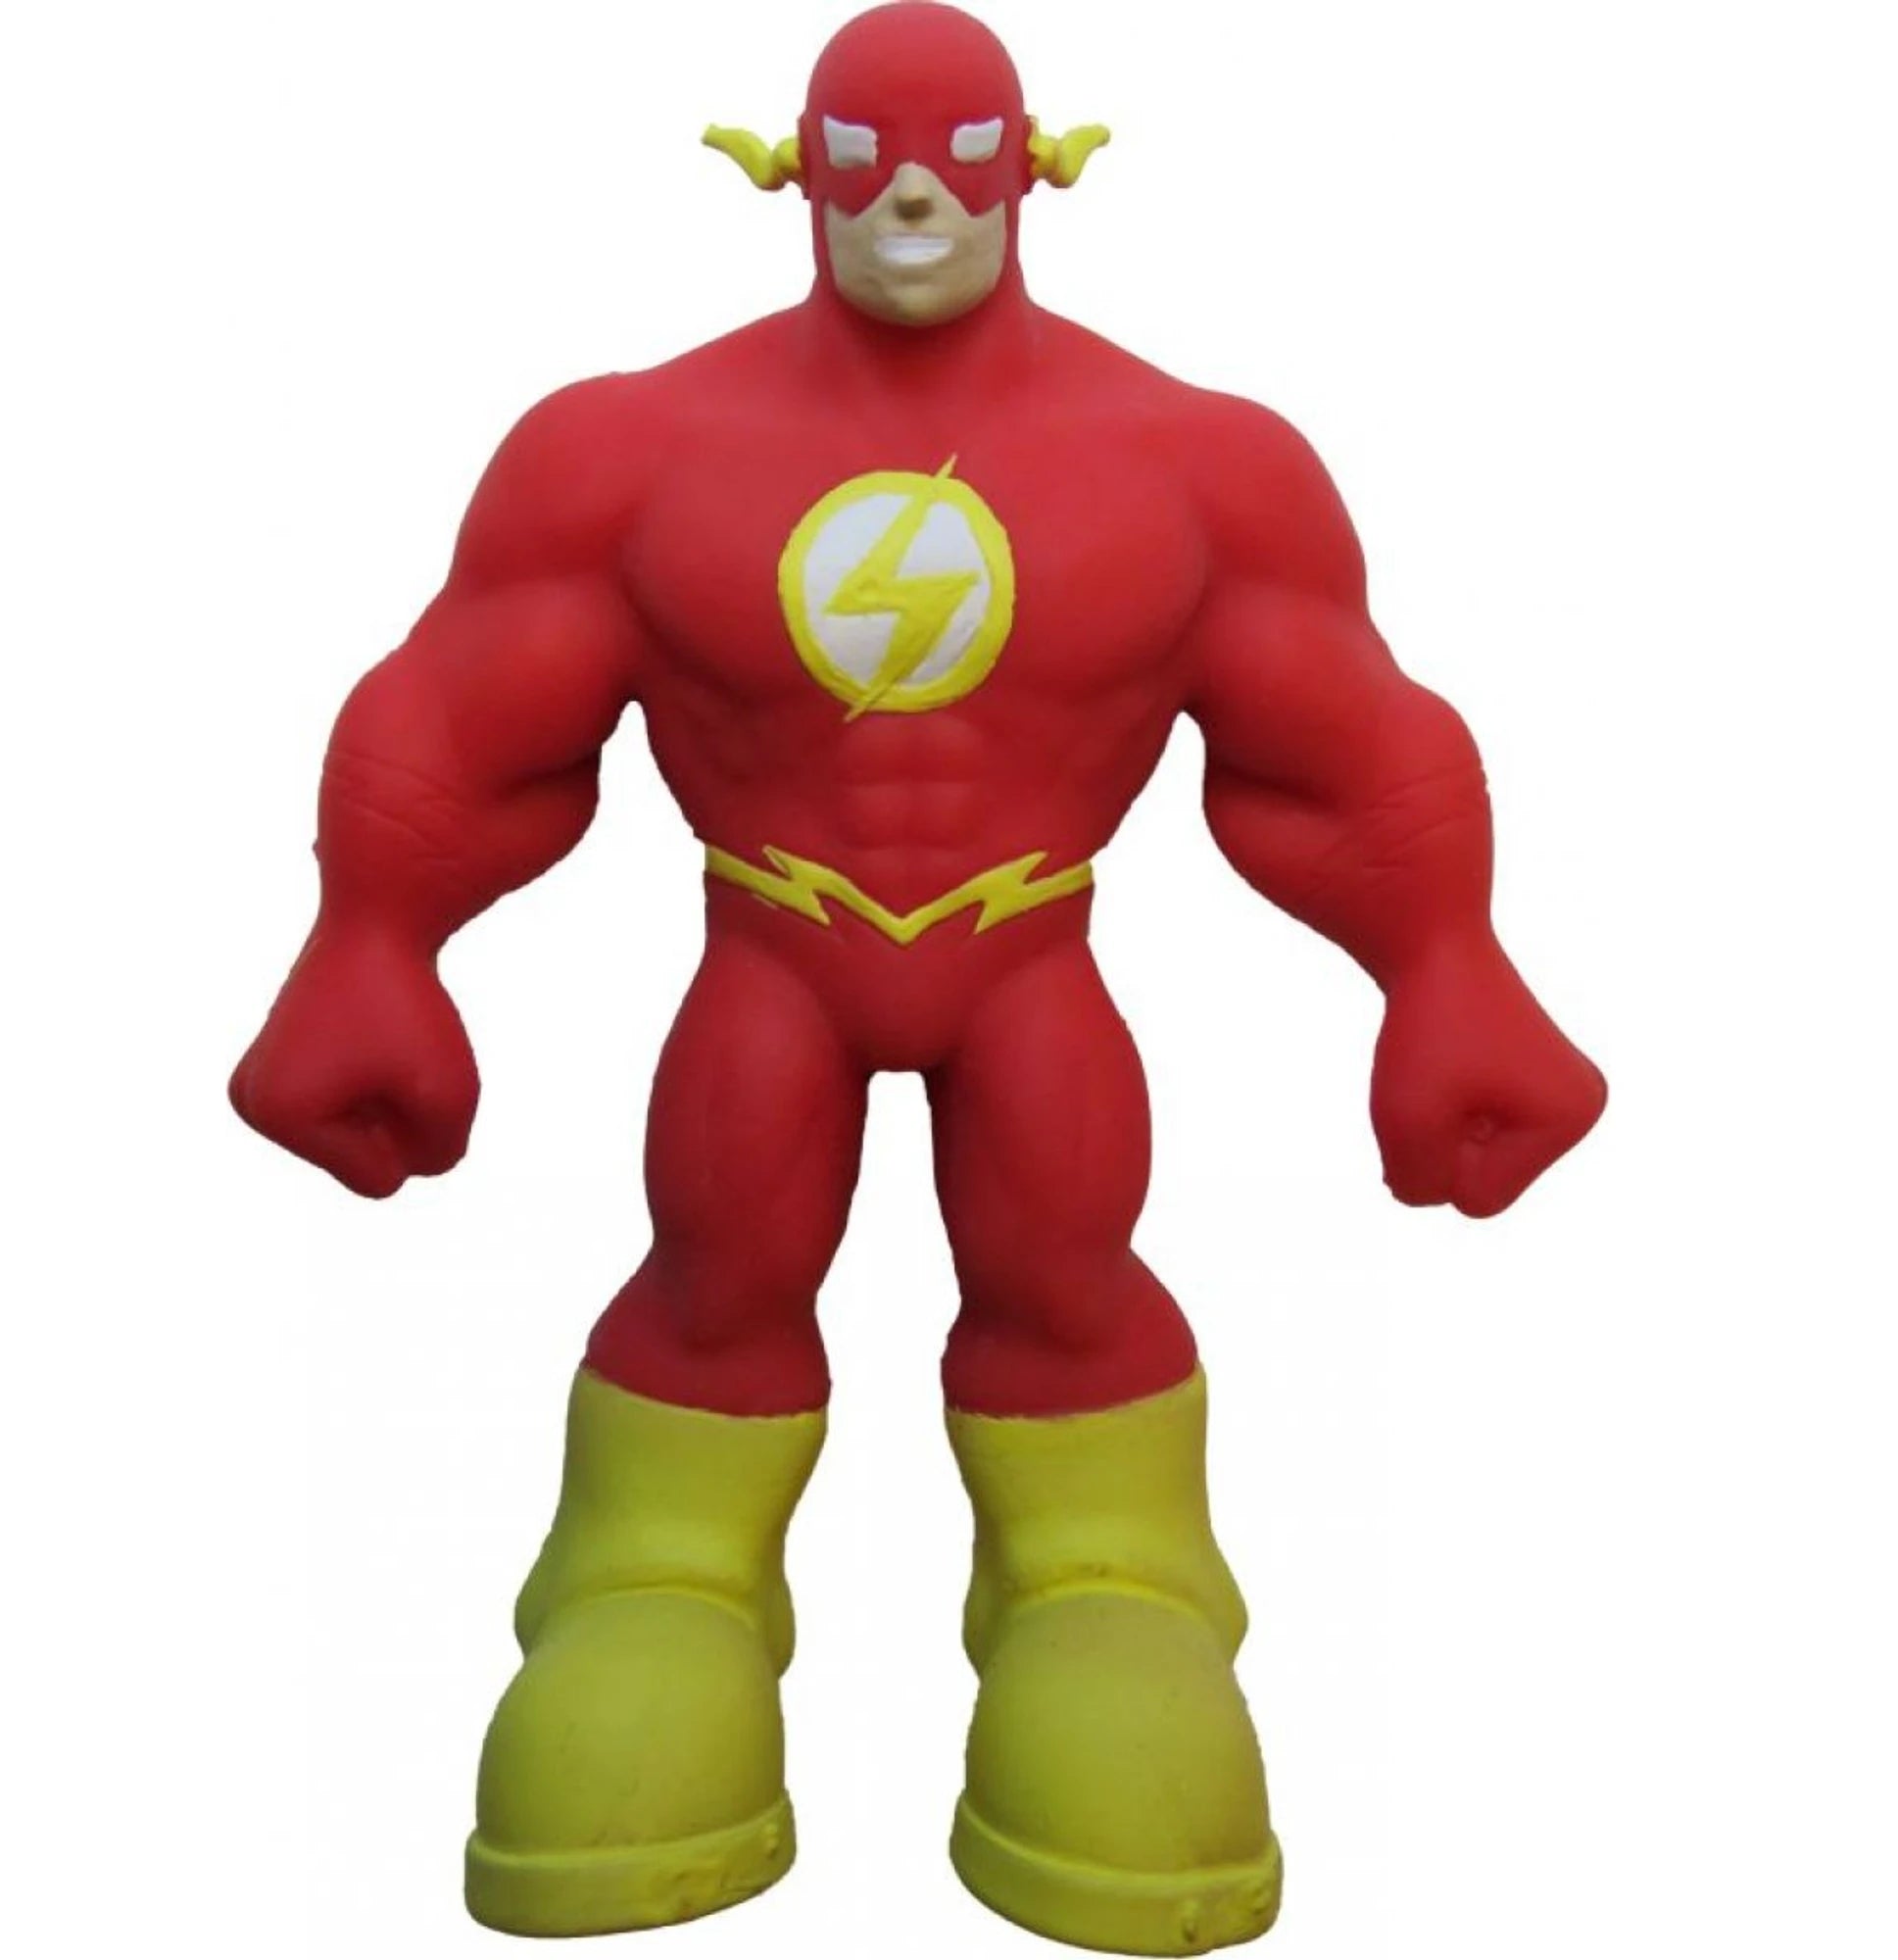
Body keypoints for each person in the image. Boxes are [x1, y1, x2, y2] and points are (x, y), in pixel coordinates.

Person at [231, 4, 1605, 1948]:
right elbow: (463, 709)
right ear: (793, 167)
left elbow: (1345, 738)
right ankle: (655, 1575)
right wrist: (368, 941)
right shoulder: (626, 452)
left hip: (1028, 954)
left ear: (1031, 167)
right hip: (769, 951)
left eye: (957, 158)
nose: (908, 204)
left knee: (1063, 1269)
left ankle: (1109, 1579)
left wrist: (1449, 969)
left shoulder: (1195, 464)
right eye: (865, 157)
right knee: (720, 1267)